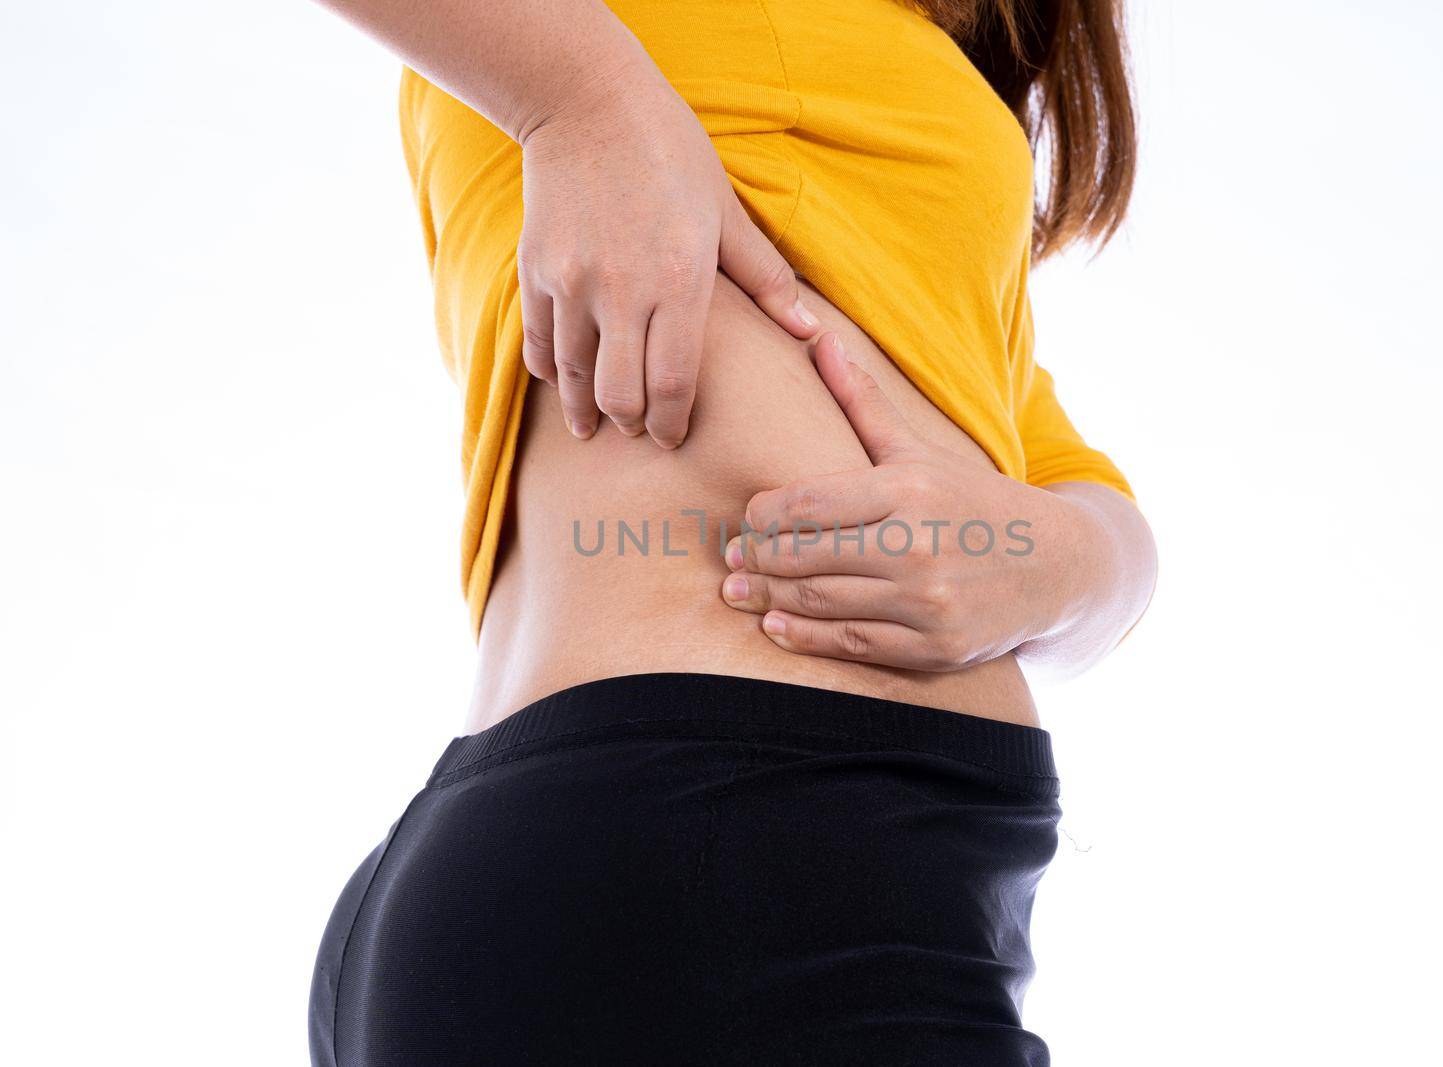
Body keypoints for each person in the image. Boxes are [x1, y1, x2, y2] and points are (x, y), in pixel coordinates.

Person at [307, 0, 1158, 1062]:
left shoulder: (935, 100)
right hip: (730, 846)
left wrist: (1059, 564)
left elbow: (1067, 481)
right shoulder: (558, 47)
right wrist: (583, 103)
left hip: (732, 857)